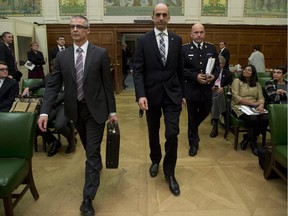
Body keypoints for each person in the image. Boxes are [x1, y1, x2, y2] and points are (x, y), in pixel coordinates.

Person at [38, 15, 117, 216]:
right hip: (74, 111)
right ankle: (95, 163)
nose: (74, 30)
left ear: (87, 30)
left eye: (79, 27)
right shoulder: (62, 57)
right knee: (89, 146)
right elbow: (52, 86)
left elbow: (108, 86)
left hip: (96, 111)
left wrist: (112, 111)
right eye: (72, 26)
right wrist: (45, 111)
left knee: (91, 152)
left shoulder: (100, 54)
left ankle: (87, 199)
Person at [133, 3, 184, 196]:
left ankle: (169, 172)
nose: (161, 18)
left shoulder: (177, 40)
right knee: (153, 132)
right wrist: (141, 94)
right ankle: (155, 159)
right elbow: (137, 70)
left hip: (172, 96)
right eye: (157, 15)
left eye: (164, 15)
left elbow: (180, 69)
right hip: (151, 95)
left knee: (172, 134)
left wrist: (183, 94)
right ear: (152, 17)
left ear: (169, 17)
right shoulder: (143, 40)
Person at [22, 59, 76, 157]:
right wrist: (28, 88)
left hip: (63, 105)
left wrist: (48, 102)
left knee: (59, 126)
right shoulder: (49, 76)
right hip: (51, 106)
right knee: (37, 123)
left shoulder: (70, 77)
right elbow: (40, 83)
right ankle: (54, 142)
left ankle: (71, 139)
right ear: (51, 67)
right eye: (54, 66)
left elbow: (64, 94)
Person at [182, 23, 220, 157]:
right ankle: (193, 143)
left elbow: (217, 68)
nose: (199, 35)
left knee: (204, 112)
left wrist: (213, 77)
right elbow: (181, 69)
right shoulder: (184, 49)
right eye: (196, 32)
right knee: (191, 117)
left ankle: (193, 128)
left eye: (201, 32)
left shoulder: (211, 48)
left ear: (204, 33)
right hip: (191, 90)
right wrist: (195, 76)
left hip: (206, 90)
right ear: (191, 34)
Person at [231, 64, 269, 156]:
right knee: (252, 119)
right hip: (239, 107)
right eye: (245, 69)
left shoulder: (257, 84)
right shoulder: (237, 81)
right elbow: (236, 98)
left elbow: (261, 98)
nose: (245, 71)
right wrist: (254, 104)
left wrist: (261, 105)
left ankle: (247, 137)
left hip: (254, 107)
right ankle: (253, 144)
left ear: (253, 73)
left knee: (266, 119)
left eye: (249, 70)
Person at [210, 55, 233, 138]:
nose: (216, 65)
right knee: (216, 96)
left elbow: (231, 84)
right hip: (212, 92)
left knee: (217, 98)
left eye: (218, 64)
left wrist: (223, 88)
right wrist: (211, 87)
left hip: (223, 94)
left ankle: (215, 126)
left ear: (223, 64)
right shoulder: (210, 72)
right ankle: (224, 113)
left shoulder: (228, 73)